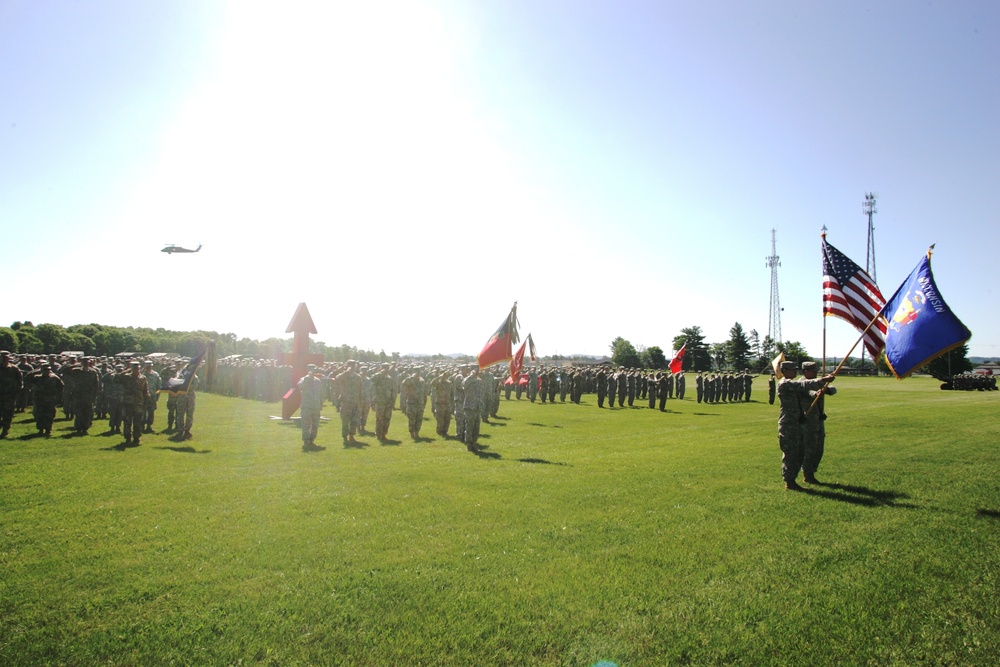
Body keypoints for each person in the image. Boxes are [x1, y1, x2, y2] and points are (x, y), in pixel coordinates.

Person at [776, 361, 834, 490]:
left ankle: (795, 479)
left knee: (800, 453)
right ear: (784, 370)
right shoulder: (784, 383)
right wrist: (823, 380)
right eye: (792, 369)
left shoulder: (792, 383)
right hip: (788, 424)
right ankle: (789, 482)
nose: (795, 372)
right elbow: (803, 384)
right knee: (791, 453)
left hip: (798, 422)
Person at [800, 361, 837, 484]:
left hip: (818, 420)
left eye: (816, 371)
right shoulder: (801, 383)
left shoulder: (818, 382)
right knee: (809, 449)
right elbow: (808, 392)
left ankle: (812, 472)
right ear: (805, 371)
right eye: (812, 371)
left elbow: (833, 390)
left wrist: (825, 390)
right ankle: (807, 474)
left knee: (818, 449)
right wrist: (816, 393)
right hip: (808, 421)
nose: (815, 373)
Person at [117, 361, 150, 446]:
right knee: (127, 421)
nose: (136, 370)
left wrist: (146, 401)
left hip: (139, 402)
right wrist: (127, 370)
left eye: (137, 368)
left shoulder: (143, 378)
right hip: (128, 402)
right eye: (134, 368)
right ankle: (128, 437)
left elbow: (145, 390)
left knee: (137, 421)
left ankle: (136, 438)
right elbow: (116, 378)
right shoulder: (126, 377)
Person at [31, 361, 63, 437]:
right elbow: (27, 378)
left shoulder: (54, 378)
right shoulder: (37, 377)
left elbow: (61, 386)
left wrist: (58, 397)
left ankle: (48, 429)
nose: (47, 371)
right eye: (45, 370)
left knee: (50, 415)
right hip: (40, 400)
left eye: (48, 370)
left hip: (51, 399)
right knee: (40, 415)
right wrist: (36, 370)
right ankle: (41, 429)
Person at [335, 360, 363, 444]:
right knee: (345, 421)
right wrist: (346, 372)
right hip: (346, 402)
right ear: (347, 366)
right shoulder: (343, 376)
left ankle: (351, 436)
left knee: (354, 421)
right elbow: (337, 379)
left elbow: (360, 390)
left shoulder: (358, 377)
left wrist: (360, 402)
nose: (352, 367)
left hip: (355, 402)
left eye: (354, 365)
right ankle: (345, 437)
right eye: (350, 365)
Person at [298, 364, 325, 450]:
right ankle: (306, 441)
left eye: (313, 369)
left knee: (315, 425)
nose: (312, 370)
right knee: (306, 425)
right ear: (307, 369)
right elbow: (300, 386)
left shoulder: (318, 381)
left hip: (316, 406)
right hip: (307, 406)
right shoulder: (303, 379)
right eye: (310, 369)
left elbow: (320, 393)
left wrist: (321, 403)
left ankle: (311, 440)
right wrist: (308, 377)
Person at [0, 351, 23, 438]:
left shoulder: (14, 369)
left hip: (10, 395)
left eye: (6, 358)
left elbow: (20, 381)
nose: (4, 360)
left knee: (8, 413)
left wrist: (17, 391)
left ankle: (5, 430)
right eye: (3, 358)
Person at [370, 363, 394, 442]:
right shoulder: (378, 377)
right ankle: (379, 434)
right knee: (380, 419)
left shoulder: (390, 378)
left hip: (388, 402)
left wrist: (392, 400)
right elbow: (372, 379)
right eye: (385, 368)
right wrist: (381, 373)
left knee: (387, 418)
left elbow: (392, 390)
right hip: (380, 401)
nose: (387, 369)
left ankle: (384, 434)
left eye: (388, 368)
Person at [142, 360, 162, 433]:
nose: (149, 368)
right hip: (143, 397)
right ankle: (142, 426)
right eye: (147, 366)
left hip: (152, 397)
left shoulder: (155, 374)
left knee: (151, 412)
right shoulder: (141, 374)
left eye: (150, 366)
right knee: (142, 412)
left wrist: (157, 396)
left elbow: (159, 386)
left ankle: (149, 426)